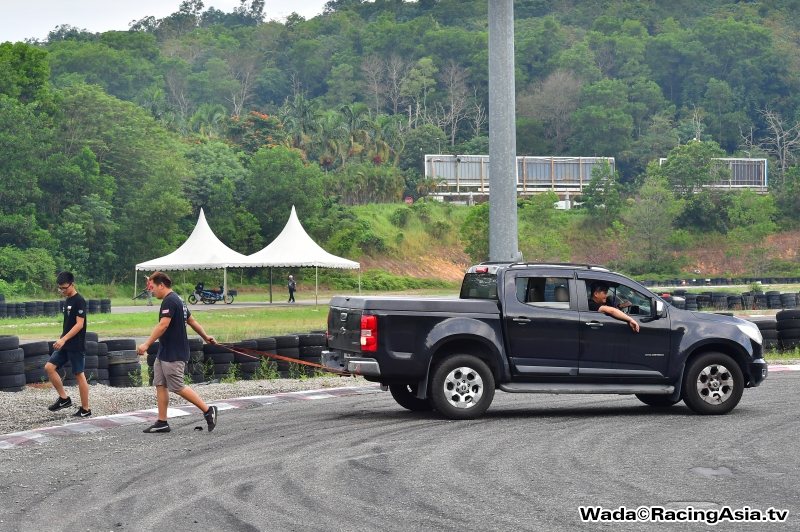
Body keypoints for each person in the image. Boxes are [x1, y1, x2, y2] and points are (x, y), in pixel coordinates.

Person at [136, 271, 219, 433]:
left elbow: (163, 325)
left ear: (161, 285)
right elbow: (192, 321)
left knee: (177, 386)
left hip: (174, 352)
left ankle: (208, 410)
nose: (152, 290)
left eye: (152, 287)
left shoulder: (170, 301)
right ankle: (162, 422)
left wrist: (146, 344)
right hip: (164, 351)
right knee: (160, 384)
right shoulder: (177, 299)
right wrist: (206, 336)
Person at [45, 272, 91, 417]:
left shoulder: (79, 300)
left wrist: (63, 339)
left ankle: (85, 409)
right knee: (49, 367)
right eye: (60, 289)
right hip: (64, 343)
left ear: (72, 284)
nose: (63, 291)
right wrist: (63, 339)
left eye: (65, 288)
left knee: (79, 375)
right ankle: (64, 399)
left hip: (75, 344)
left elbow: (79, 325)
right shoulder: (67, 300)